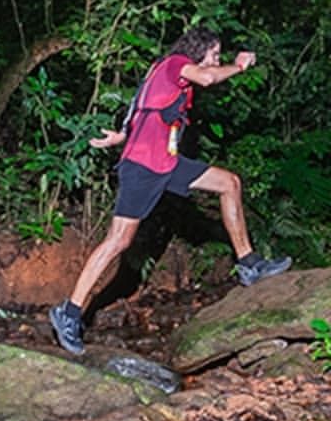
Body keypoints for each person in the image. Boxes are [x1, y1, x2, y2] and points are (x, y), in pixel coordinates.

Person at [48, 26, 291, 356]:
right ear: (198, 51)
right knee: (119, 240)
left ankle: (249, 264)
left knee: (229, 183)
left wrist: (122, 135)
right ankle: (69, 312)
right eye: (214, 55)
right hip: (143, 167)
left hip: (167, 162)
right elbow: (207, 78)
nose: (215, 61)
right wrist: (238, 66)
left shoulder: (169, 76)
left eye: (219, 57)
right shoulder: (176, 63)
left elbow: (141, 103)